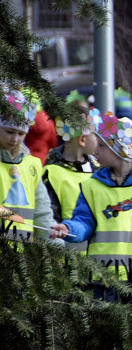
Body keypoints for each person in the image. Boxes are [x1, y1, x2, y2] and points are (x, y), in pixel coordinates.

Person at [50, 113, 132, 350]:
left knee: (129, 328)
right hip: (100, 271)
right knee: (99, 326)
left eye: (101, 147)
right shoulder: (90, 185)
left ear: (120, 149)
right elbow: (84, 221)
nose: (95, 152)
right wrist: (69, 229)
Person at [1, 87, 56, 242]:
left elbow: (41, 210)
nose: (15, 139)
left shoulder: (31, 164)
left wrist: (53, 244)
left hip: (23, 251)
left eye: (21, 134)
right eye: (9, 132)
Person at [44, 107, 101, 253]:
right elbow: (49, 219)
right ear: (83, 139)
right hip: (67, 257)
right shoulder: (51, 173)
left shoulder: (100, 171)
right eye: (96, 136)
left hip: (96, 255)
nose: (100, 141)